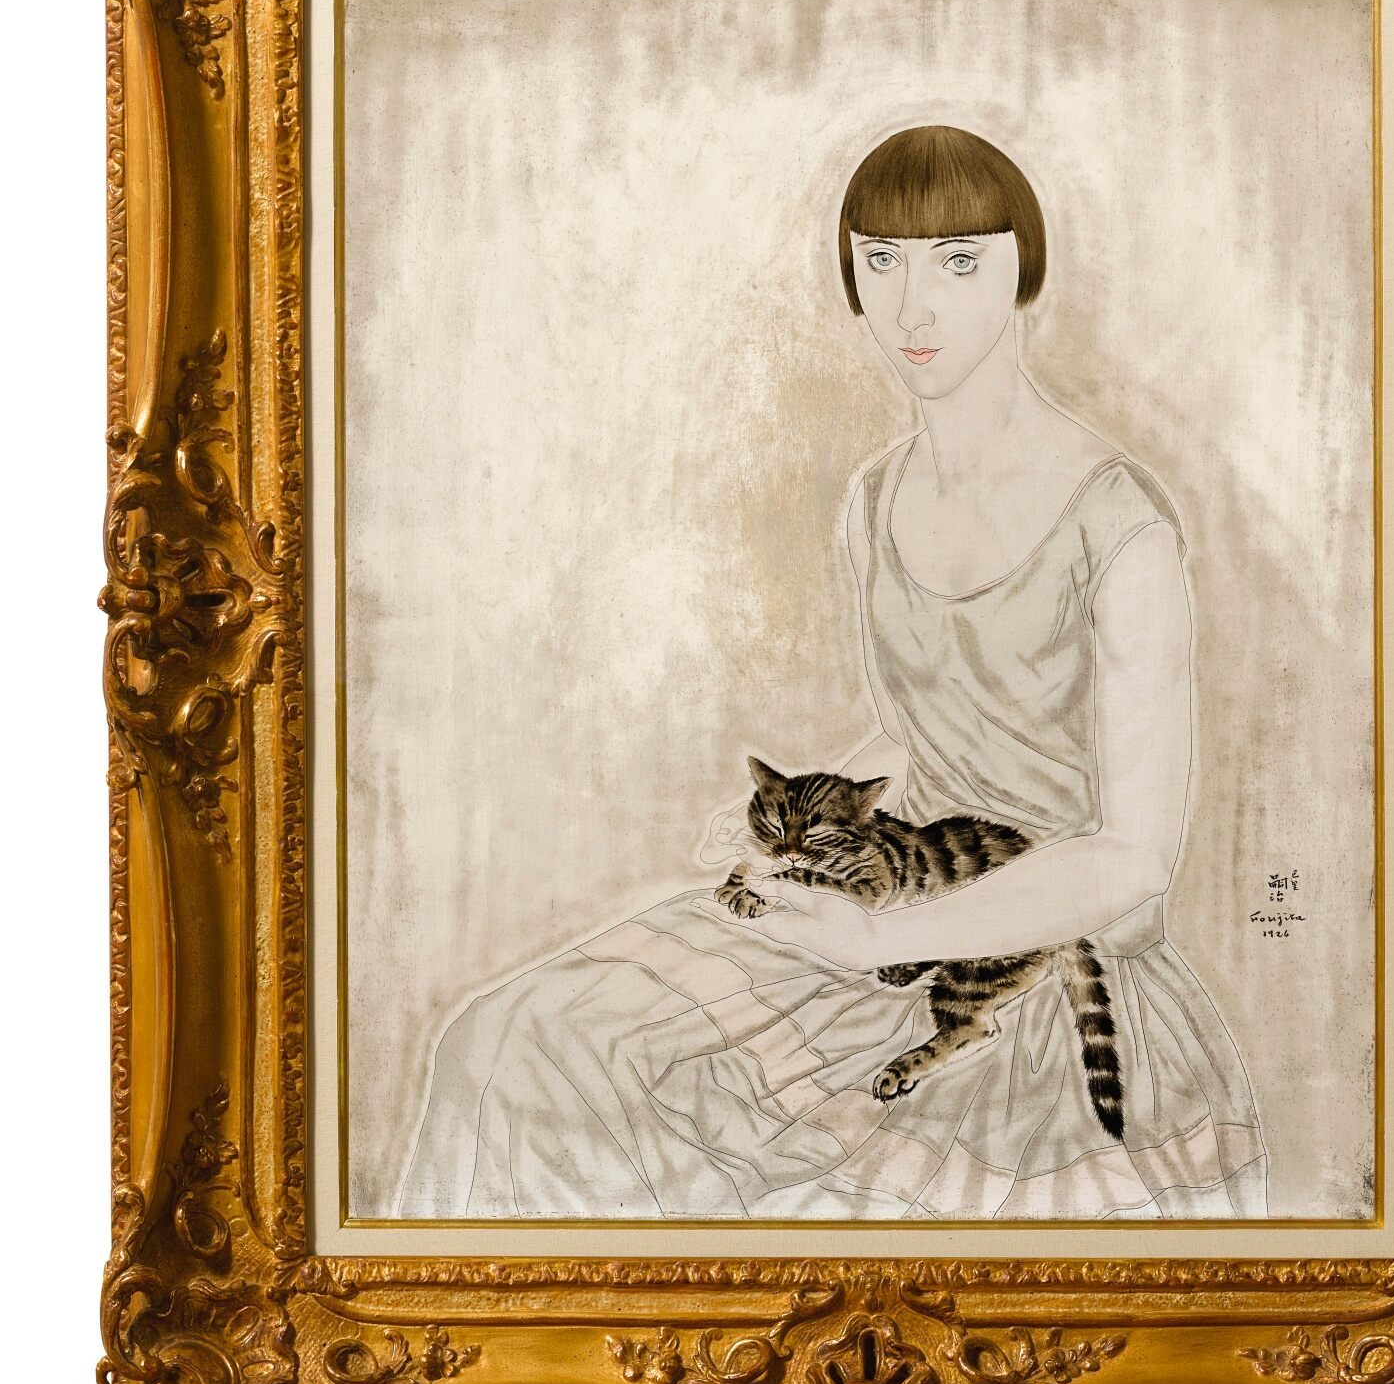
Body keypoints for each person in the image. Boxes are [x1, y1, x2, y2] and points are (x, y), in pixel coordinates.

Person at [399, 126, 1266, 1220]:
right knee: (510, 1045)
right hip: (883, 883)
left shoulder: (1121, 524)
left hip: (1037, 960)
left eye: (959, 263)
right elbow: (925, 727)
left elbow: (1133, 856)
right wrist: (797, 824)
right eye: (881, 261)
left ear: (1023, 272)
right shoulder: (874, 496)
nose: (913, 307)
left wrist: (880, 939)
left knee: (819, 1214)